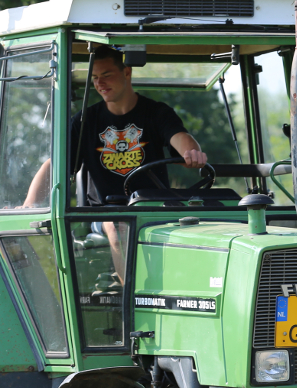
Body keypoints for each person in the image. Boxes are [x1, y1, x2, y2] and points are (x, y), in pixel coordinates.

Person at [22, 46, 209, 283]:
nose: (100, 83)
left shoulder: (156, 112)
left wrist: (191, 152)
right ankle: (134, 299)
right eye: (95, 78)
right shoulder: (84, 121)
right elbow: (54, 164)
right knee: (118, 225)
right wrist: (30, 205)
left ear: (127, 72)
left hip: (154, 209)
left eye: (107, 75)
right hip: (106, 212)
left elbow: (179, 137)